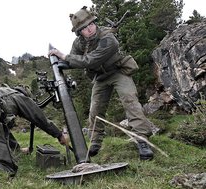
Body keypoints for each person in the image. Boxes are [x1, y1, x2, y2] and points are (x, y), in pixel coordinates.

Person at [49, 6, 154, 160]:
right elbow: (74, 59)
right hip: (100, 77)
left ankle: (142, 141)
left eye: (91, 24)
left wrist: (64, 56)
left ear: (95, 22)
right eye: (84, 28)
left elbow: (91, 60)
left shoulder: (108, 38)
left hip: (118, 72)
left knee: (130, 100)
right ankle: (94, 143)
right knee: (95, 110)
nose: (89, 29)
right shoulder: (79, 43)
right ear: (79, 32)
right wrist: (58, 60)